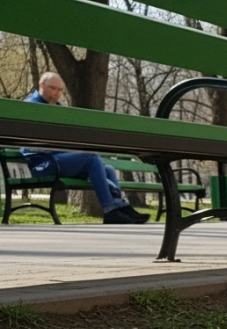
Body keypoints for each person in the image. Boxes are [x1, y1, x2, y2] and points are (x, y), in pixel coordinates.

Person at [21, 73, 147, 225]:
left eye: (60, 90)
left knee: (108, 170)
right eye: (53, 88)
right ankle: (110, 210)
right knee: (90, 157)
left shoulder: (57, 108)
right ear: (41, 86)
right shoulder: (32, 106)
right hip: (40, 163)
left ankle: (121, 207)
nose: (57, 93)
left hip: (55, 159)